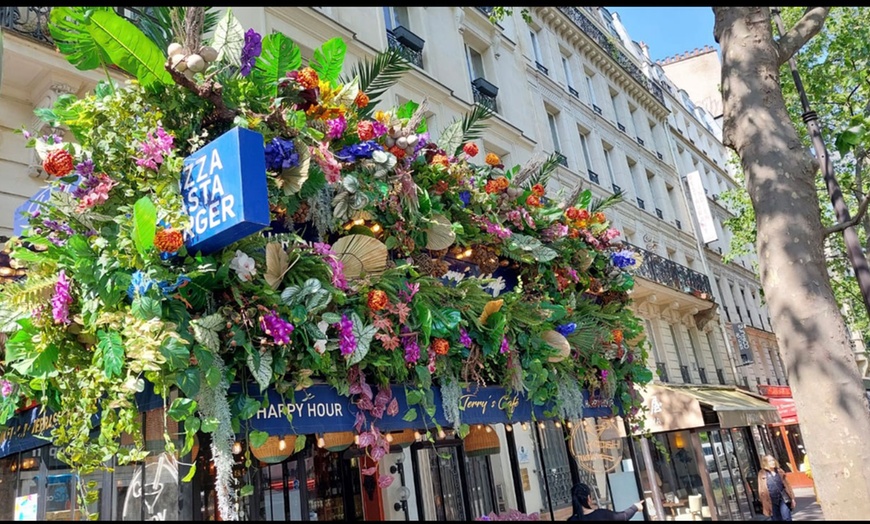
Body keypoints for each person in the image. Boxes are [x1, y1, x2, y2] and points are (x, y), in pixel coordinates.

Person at [568, 482, 644, 521]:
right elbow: (624, 516)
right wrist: (635, 507)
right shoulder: (601, 514)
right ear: (588, 498)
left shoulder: (571, 520)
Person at [757, 454, 796, 521]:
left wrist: (792, 498)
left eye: (773, 460)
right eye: (770, 461)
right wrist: (764, 503)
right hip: (771, 500)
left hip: (783, 498)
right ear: (765, 463)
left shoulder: (779, 471)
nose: (773, 462)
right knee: (776, 519)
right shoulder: (762, 473)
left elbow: (787, 485)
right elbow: (761, 489)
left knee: (786, 517)